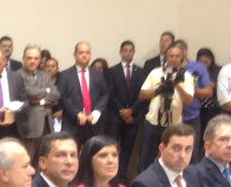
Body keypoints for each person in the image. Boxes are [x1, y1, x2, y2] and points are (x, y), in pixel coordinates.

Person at [137, 42, 196, 171]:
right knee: (146, 157)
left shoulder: (187, 77)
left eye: (177, 56)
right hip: (153, 121)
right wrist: (159, 90)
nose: (174, 59)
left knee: (170, 158)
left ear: (182, 57)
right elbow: (142, 95)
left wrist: (176, 85)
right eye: (171, 56)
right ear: (166, 57)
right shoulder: (155, 72)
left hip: (173, 125)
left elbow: (189, 101)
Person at [105, 40, 143, 176]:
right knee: (112, 148)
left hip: (132, 118)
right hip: (115, 117)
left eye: (130, 50)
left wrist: (131, 111)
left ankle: (121, 177)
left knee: (127, 150)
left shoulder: (141, 72)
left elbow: (142, 95)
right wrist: (122, 111)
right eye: (125, 50)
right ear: (120, 52)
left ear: (134, 52)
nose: (128, 53)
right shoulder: (111, 71)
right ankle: (110, 176)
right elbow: (110, 94)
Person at [58, 42, 108, 142]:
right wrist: (77, 113)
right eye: (81, 53)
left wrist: (96, 112)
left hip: (94, 122)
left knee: (93, 150)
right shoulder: (65, 75)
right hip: (72, 123)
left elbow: (105, 94)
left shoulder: (98, 74)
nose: (84, 55)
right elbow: (64, 97)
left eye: (87, 53)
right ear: (75, 55)